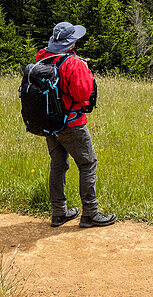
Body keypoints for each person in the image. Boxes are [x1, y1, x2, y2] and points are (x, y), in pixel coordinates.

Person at [38, 21, 116, 228]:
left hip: (49, 123)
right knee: (87, 164)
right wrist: (85, 70)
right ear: (72, 43)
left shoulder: (43, 58)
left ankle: (59, 213)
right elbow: (82, 93)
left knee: (58, 165)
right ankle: (90, 213)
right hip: (72, 123)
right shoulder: (74, 63)